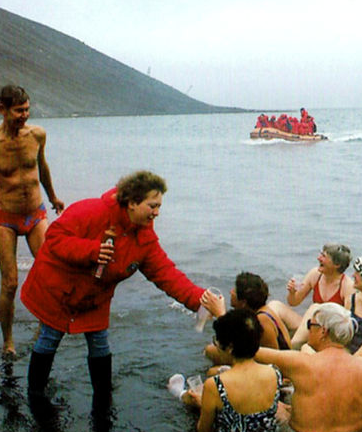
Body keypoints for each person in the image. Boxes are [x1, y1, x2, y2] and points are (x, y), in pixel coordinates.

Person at [19, 170, 224, 409]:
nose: (157, 212)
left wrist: (200, 300)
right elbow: (53, 238)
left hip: (94, 297)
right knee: (49, 337)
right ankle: (35, 397)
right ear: (132, 202)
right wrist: (91, 250)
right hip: (58, 288)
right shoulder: (91, 211)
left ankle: (103, 400)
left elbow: (167, 275)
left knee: (99, 343)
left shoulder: (144, 238)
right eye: (153, 205)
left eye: (159, 206)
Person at [0, 85, 64, 357]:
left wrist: (53, 197)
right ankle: (8, 341)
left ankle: (44, 324)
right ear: (2, 109)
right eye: (18, 111)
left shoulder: (37, 135)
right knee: (9, 282)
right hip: (5, 218)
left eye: (27, 110)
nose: (24, 116)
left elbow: (41, 168)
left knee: (48, 273)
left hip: (35, 213)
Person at [254, 303, 362, 432]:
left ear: (323, 331)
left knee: (276, 407)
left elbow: (252, 352)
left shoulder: (302, 363)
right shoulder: (360, 366)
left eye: (310, 325)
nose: (308, 330)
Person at [186, 309, 283, 432]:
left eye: (217, 342)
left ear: (230, 347)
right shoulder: (274, 373)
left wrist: (202, 404)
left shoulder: (216, 385)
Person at [204, 272, 296, 366]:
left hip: (278, 368)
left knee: (211, 354)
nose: (230, 292)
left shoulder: (262, 319)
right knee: (211, 351)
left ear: (243, 302)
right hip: (263, 362)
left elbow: (272, 360)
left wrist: (220, 315)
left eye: (234, 291)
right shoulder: (254, 314)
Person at [286, 243, 353, 308]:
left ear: (337, 264)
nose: (318, 258)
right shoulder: (315, 275)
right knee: (276, 306)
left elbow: (348, 317)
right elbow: (293, 302)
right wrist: (292, 293)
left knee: (314, 307)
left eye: (324, 256)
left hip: (334, 319)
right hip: (313, 318)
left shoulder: (347, 286)